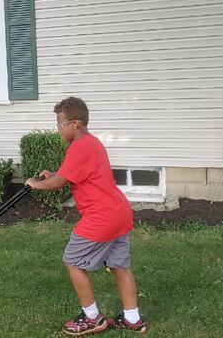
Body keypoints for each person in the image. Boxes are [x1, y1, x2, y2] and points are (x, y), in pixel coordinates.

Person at [25, 97, 146, 336]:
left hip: (101, 216)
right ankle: (133, 319)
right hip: (118, 212)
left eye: (60, 124)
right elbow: (70, 174)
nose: (58, 129)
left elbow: (59, 182)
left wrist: (36, 184)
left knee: (72, 261)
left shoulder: (79, 147)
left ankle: (92, 317)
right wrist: (53, 174)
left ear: (76, 124)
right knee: (120, 266)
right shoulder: (91, 143)